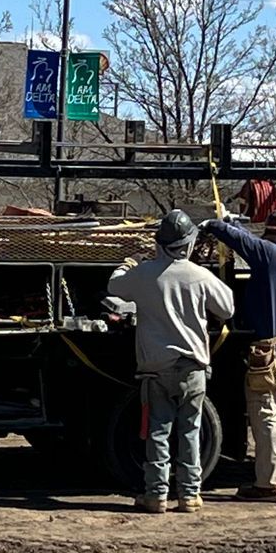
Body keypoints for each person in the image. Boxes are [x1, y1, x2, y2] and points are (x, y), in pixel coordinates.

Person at [107, 209, 235, 515]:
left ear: (159, 242)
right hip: (192, 369)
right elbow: (228, 308)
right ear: (189, 244)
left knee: (158, 433)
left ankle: (156, 495)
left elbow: (114, 286)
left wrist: (130, 262)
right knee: (190, 433)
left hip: (156, 370)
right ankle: (189, 496)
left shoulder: (144, 274)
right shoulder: (200, 276)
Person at [200, 207, 276, 503]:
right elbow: (250, 240)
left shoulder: (270, 255)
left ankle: (268, 484)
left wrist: (214, 224)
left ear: (273, 234)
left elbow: (245, 243)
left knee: (265, 416)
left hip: (268, 353)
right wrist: (232, 221)